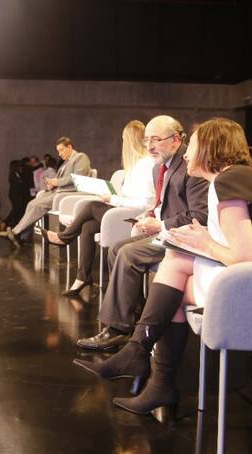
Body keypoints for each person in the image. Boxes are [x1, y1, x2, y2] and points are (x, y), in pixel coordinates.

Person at [75, 118, 252, 415]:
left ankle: (149, 367)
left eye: (191, 146)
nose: (185, 154)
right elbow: (244, 245)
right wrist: (201, 239)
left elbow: (247, 259)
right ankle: (146, 363)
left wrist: (205, 243)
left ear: (209, 148)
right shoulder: (235, 178)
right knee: (176, 260)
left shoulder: (229, 180)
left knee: (175, 282)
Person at [76, 115, 208, 351]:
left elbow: (200, 215)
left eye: (156, 140)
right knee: (116, 248)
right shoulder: (159, 167)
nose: (149, 146)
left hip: (182, 236)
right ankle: (132, 314)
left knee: (128, 254)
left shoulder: (191, 167)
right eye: (147, 140)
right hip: (167, 231)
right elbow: (164, 203)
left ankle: (117, 330)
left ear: (176, 140)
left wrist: (161, 224)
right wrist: (151, 213)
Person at [43, 120, 156, 296]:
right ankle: (83, 277)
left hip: (136, 216)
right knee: (88, 227)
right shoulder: (134, 166)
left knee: (92, 206)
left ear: (129, 141)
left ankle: (64, 237)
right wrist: (113, 197)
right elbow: (129, 196)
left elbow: (145, 203)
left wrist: (114, 199)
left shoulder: (146, 165)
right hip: (123, 210)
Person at [4, 137, 91, 247]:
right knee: (31, 204)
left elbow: (78, 177)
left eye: (61, 150)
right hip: (58, 191)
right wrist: (52, 184)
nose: (59, 154)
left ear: (69, 147)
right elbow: (61, 179)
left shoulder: (80, 157)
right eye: (58, 151)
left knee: (36, 206)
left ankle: (16, 233)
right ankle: (22, 236)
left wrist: (56, 182)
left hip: (67, 194)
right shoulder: (66, 162)